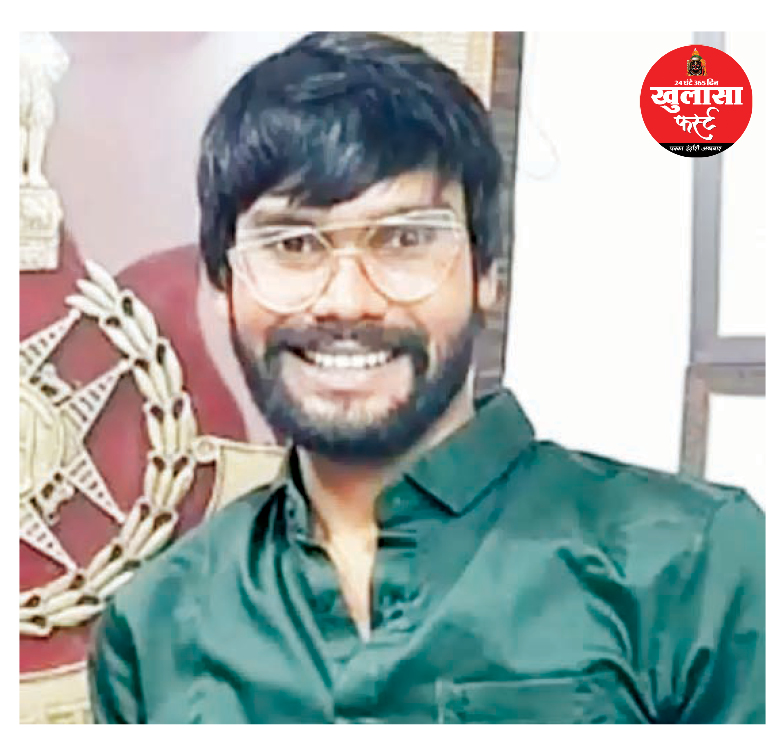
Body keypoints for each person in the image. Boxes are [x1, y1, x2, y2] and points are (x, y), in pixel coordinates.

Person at [88, 32, 765, 724]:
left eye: (403, 239)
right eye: (293, 244)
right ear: (223, 285)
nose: (346, 301)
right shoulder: (154, 626)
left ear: (486, 273)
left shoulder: (693, 565)